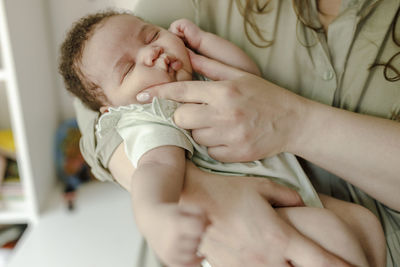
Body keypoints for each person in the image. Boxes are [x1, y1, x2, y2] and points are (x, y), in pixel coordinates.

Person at [69, 0, 400, 266]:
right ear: (112, 109)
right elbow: (156, 168)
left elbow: (249, 77)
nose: (150, 53)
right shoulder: (152, 115)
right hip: (267, 215)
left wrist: (201, 44)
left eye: (151, 36)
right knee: (336, 237)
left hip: (294, 200)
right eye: (128, 68)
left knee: (364, 227)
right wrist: (156, 217)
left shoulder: (197, 79)